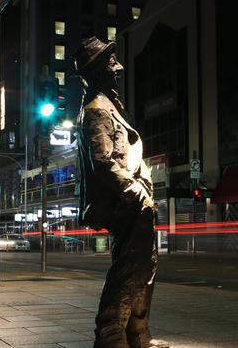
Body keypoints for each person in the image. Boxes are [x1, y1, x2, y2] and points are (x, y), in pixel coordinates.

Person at [73, 37, 168, 348]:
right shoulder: (96, 110)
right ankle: (110, 334)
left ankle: (138, 333)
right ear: (99, 71)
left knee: (145, 268)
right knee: (127, 269)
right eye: (111, 63)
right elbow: (103, 163)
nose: (118, 68)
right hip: (124, 203)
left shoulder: (109, 106)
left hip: (134, 204)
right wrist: (135, 191)